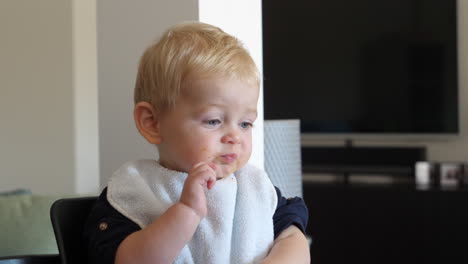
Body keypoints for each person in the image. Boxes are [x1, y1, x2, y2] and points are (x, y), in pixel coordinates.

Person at [83, 21, 310, 264]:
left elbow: (293, 239)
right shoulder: (136, 192)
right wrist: (187, 213)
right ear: (152, 123)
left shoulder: (253, 189)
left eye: (245, 124)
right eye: (213, 121)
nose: (234, 136)